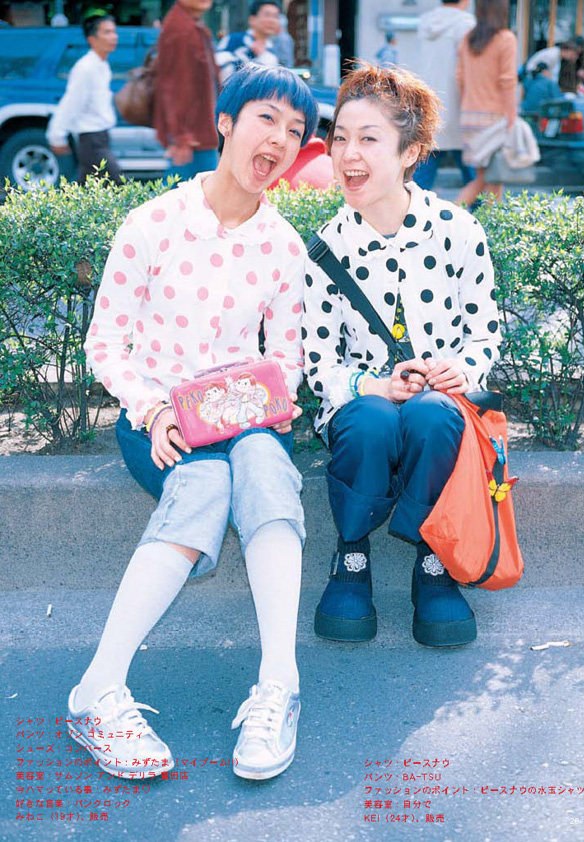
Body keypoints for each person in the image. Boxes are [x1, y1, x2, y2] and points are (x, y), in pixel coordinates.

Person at [71, 64, 318, 782]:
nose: (279, 140)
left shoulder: (284, 247)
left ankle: (279, 685)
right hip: (158, 418)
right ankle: (95, 692)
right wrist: (151, 409)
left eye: (295, 131)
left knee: (265, 464)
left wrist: (271, 402)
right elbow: (104, 343)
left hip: (243, 421)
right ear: (226, 123)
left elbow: (289, 359)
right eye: (266, 118)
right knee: (207, 481)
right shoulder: (152, 224)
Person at [302, 64, 501, 648]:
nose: (347, 154)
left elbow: (484, 335)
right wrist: (376, 385)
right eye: (340, 137)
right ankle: (352, 555)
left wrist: (461, 369)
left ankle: (434, 561)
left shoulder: (458, 232)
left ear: (410, 151)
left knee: (432, 413)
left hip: (440, 410)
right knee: (371, 418)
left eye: (368, 139)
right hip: (363, 407)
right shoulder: (326, 247)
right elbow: (319, 364)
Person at [47, 11, 121, 184]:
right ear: (92, 39)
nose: (114, 37)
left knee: (87, 188)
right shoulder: (85, 68)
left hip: (101, 137)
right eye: (107, 32)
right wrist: (56, 135)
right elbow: (71, 102)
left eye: (114, 31)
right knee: (118, 184)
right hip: (91, 140)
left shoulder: (102, 66)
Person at [456, 0, 518, 205]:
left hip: (470, 116)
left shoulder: (468, 39)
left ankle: (487, 222)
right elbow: (507, 81)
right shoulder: (506, 39)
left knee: (488, 178)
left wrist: (469, 106)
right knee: (489, 179)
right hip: (495, 117)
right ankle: (448, 216)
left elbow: (460, 79)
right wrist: (512, 118)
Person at [153, 0, 220, 181]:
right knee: (189, 191)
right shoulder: (180, 28)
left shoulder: (190, 23)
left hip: (198, 133)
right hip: (192, 137)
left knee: (196, 190)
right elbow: (174, 86)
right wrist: (180, 136)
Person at [414, 0, 475, 190]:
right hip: (459, 105)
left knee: (421, 178)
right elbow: (468, 70)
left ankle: (412, 208)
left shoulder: (425, 22)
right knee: (475, 179)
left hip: (429, 106)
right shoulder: (466, 24)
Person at [216, 0, 281, 83]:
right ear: (252, 19)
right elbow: (218, 67)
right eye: (267, 15)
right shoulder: (233, 40)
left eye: (275, 16)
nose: (272, 20)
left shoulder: (272, 50)